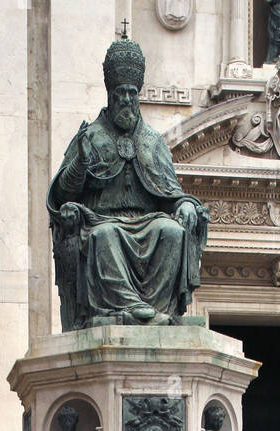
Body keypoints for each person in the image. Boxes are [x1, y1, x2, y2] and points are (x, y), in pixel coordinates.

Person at [46, 37, 207, 328]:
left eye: (132, 93)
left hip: (148, 221)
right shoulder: (90, 136)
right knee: (104, 236)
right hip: (101, 220)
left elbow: (170, 192)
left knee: (172, 232)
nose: (127, 99)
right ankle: (130, 309)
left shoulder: (152, 141)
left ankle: (160, 314)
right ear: (110, 94)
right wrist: (80, 164)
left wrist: (185, 204)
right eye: (121, 93)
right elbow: (61, 195)